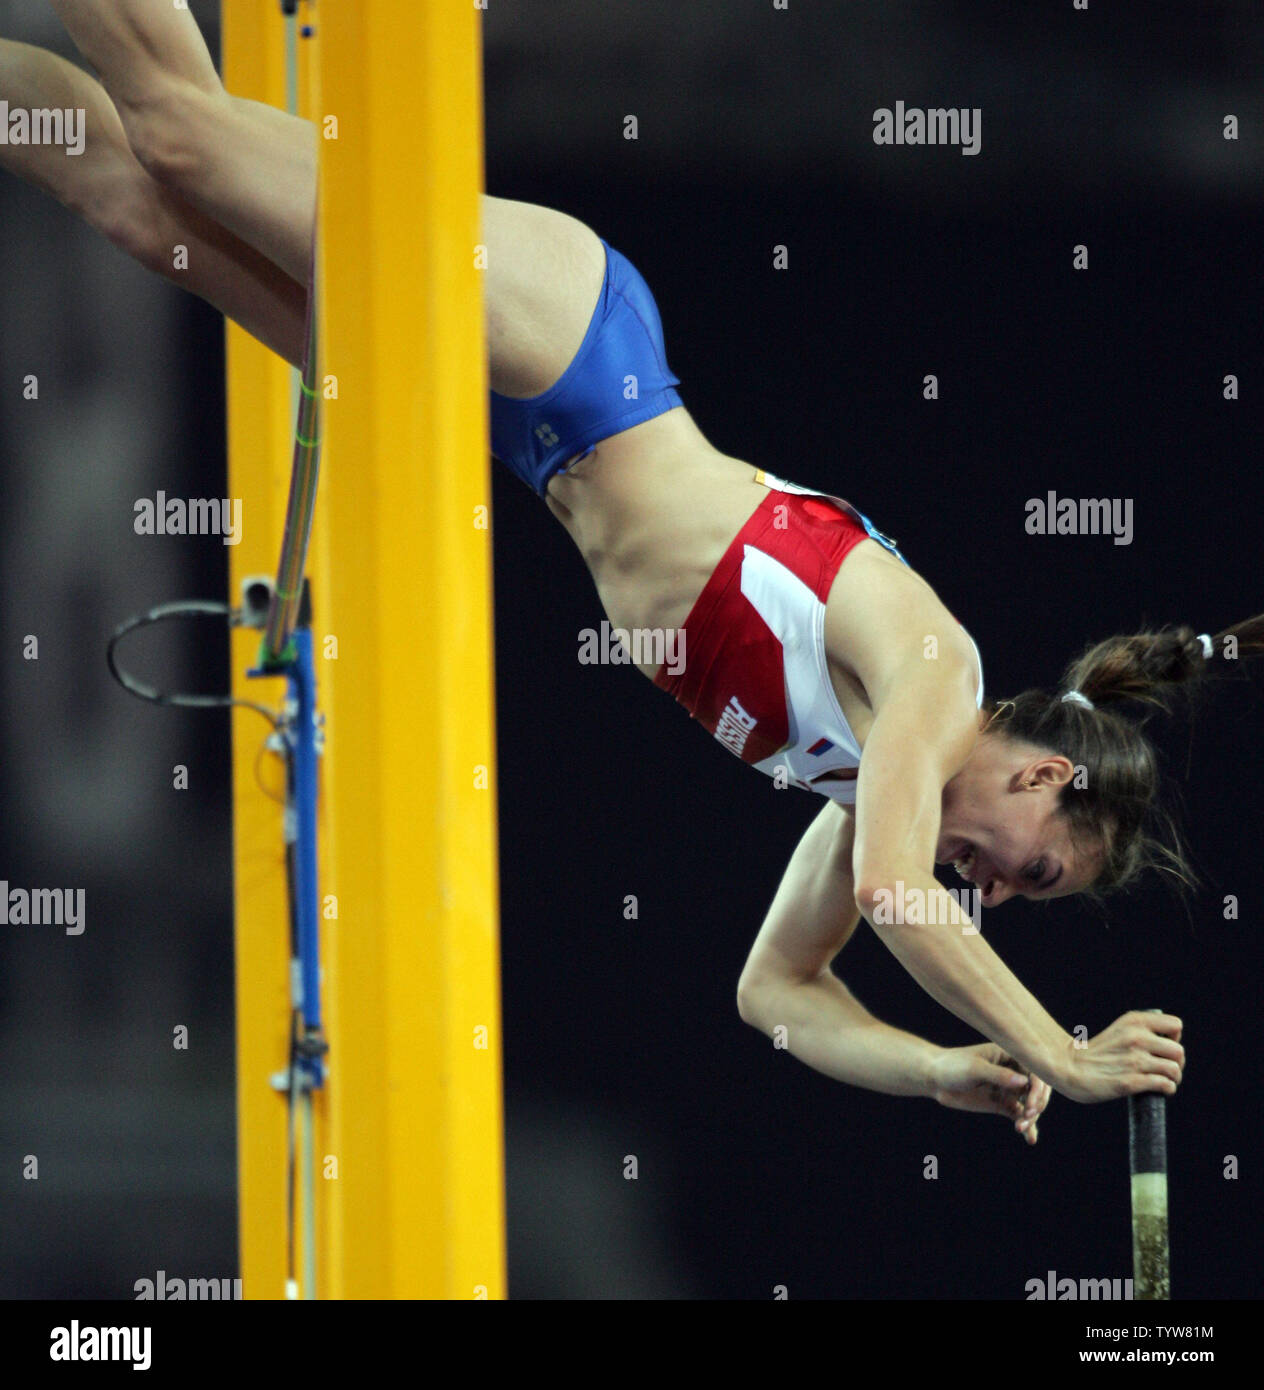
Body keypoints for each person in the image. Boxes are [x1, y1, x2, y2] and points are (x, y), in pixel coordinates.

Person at [12, 2, 1246, 1148]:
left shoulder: (860, 784)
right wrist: (1063, 1052)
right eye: (1032, 866)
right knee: (183, 134)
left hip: (514, 426)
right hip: (572, 348)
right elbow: (894, 891)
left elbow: (776, 989)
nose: (995, 893)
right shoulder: (938, 674)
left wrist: (934, 1067)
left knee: (135, 205)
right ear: (1042, 773)